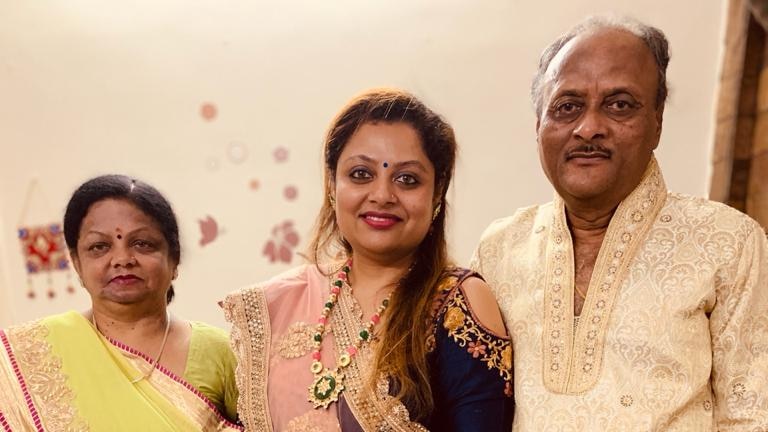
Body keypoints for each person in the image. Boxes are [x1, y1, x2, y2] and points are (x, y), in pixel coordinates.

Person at [471, 15, 768, 430]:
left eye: (620, 105)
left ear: (657, 121)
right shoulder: (499, 248)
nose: (589, 127)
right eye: (567, 107)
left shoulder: (727, 242)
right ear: (539, 125)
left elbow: (752, 415)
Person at [224, 88, 513, 431]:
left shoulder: (456, 304)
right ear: (332, 185)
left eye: (407, 179)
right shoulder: (277, 305)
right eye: (361, 174)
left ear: (437, 195)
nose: (382, 195)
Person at [0, 175, 241, 431]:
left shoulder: (222, 353)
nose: (122, 259)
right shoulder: (30, 354)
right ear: (77, 263)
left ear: (174, 258)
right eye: (99, 246)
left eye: (142, 243)